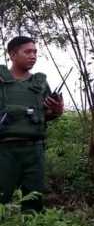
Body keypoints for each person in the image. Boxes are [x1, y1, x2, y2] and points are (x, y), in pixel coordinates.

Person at [0, 36, 64, 212]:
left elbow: (47, 115)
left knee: (33, 201)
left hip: (33, 150)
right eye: (27, 51)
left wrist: (56, 110)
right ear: (13, 55)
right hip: (4, 150)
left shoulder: (40, 84)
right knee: (1, 198)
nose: (33, 55)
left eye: (35, 52)